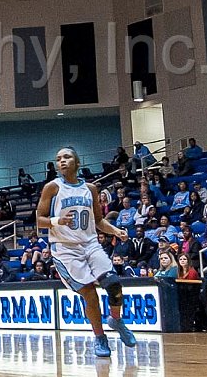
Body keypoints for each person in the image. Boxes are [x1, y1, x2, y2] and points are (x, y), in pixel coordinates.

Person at [36, 147, 137, 358]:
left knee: (114, 284)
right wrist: (57, 221)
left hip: (90, 243)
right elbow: (39, 220)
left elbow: (98, 221)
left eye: (67, 157)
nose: (62, 161)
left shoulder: (90, 188)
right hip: (65, 248)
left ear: (78, 162)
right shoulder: (51, 188)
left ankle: (116, 320)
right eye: (58, 159)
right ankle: (100, 337)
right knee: (90, 294)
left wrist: (116, 230)